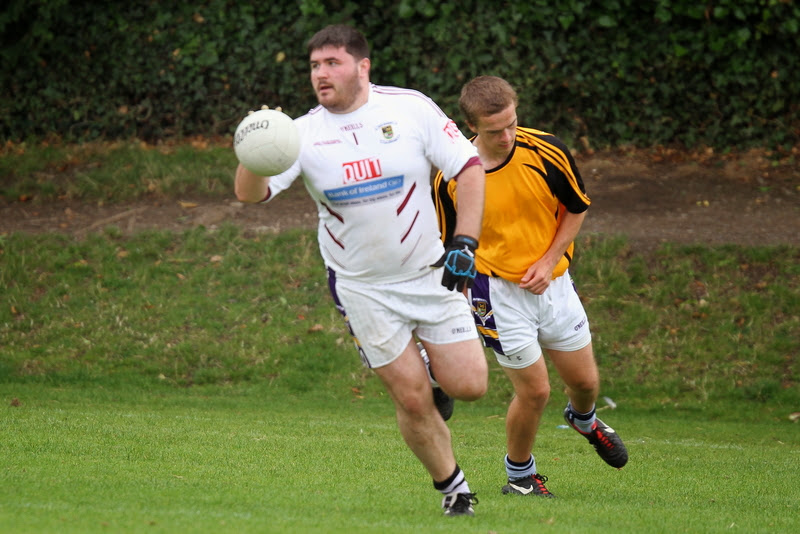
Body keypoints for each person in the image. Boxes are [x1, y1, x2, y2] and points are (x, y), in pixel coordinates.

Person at [235, 25, 489, 517]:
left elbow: (469, 167)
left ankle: (437, 379)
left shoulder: (408, 108)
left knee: (470, 385)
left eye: (332, 63)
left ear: (362, 66)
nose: (321, 74)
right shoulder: (299, 134)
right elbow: (251, 195)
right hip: (361, 288)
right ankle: (453, 489)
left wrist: (466, 240)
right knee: (411, 399)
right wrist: (251, 150)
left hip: (429, 272)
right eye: (314, 66)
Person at [433, 75, 628, 499]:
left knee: (585, 384)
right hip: (496, 295)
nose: (506, 137)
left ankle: (584, 419)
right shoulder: (452, 174)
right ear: (471, 128)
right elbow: (451, 246)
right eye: (493, 131)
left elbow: (576, 209)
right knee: (535, 390)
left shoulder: (547, 150)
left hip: (554, 285)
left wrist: (548, 259)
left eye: (512, 124)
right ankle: (520, 476)